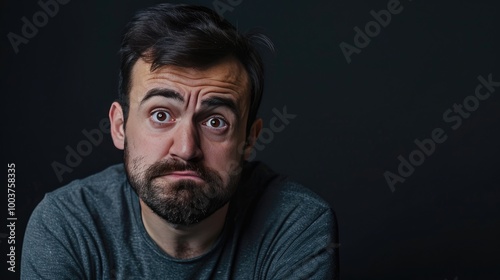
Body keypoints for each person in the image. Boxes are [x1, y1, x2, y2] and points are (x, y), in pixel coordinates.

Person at [21, 3, 339, 279]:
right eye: (161, 115)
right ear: (119, 126)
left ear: (248, 139)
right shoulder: (66, 225)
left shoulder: (297, 225)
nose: (186, 148)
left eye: (215, 122)